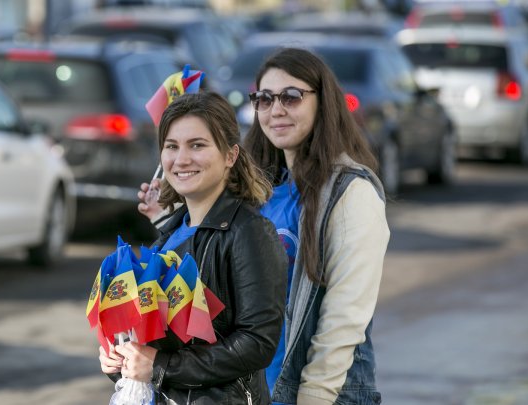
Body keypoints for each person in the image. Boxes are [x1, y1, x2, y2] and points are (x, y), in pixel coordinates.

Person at [138, 47, 390, 405]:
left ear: (323, 102)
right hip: (258, 388)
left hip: (324, 392)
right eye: (264, 98)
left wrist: (314, 396)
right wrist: (167, 221)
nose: (276, 110)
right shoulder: (265, 190)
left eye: (291, 97)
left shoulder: (351, 192)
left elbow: (345, 315)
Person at [100, 91, 288, 404]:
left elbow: (257, 343)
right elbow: (163, 340)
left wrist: (159, 366)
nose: (181, 159)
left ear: (230, 156)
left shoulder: (251, 232)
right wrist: (123, 360)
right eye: (171, 146)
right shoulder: (170, 231)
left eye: (197, 145)